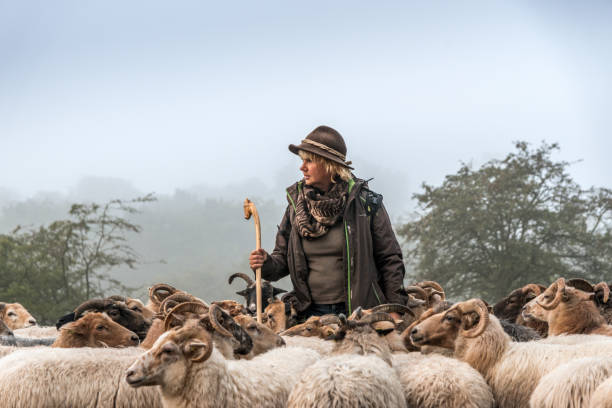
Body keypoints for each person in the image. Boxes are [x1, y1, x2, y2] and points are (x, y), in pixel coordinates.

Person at [249, 125, 406, 319]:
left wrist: (395, 309)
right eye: (301, 160)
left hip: (359, 314)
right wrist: (265, 263)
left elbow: (390, 259)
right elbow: (281, 261)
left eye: (309, 161)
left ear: (329, 165)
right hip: (309, 315)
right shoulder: (296, 205)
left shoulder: (364, 203)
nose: (302, 167)